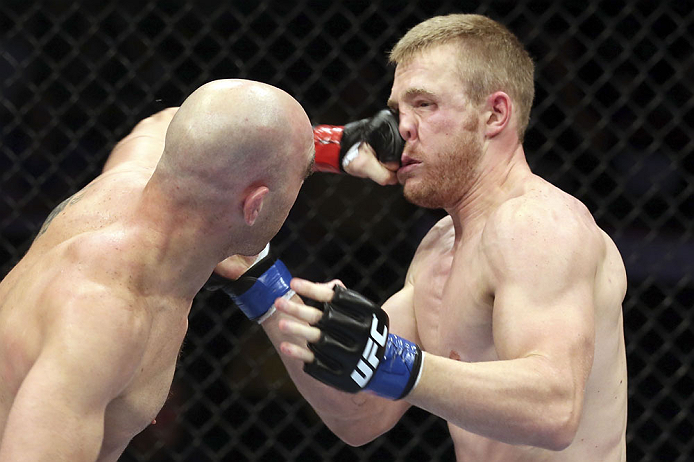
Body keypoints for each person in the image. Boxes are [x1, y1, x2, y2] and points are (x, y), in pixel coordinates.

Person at [211, 13, 628, 461]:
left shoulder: (538, 224)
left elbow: (555, 408)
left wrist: (394, 363)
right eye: (396, 110)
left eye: (424, 104)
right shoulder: (439, 247)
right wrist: (260, 282)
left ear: (495, 114)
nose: (400, 128)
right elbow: (362, 416)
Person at [0, 79, 316, 461]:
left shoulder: (130, 180)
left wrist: (337, 147)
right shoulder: (102, 315)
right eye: (304, 177)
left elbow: (173, 120)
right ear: (255, 206)